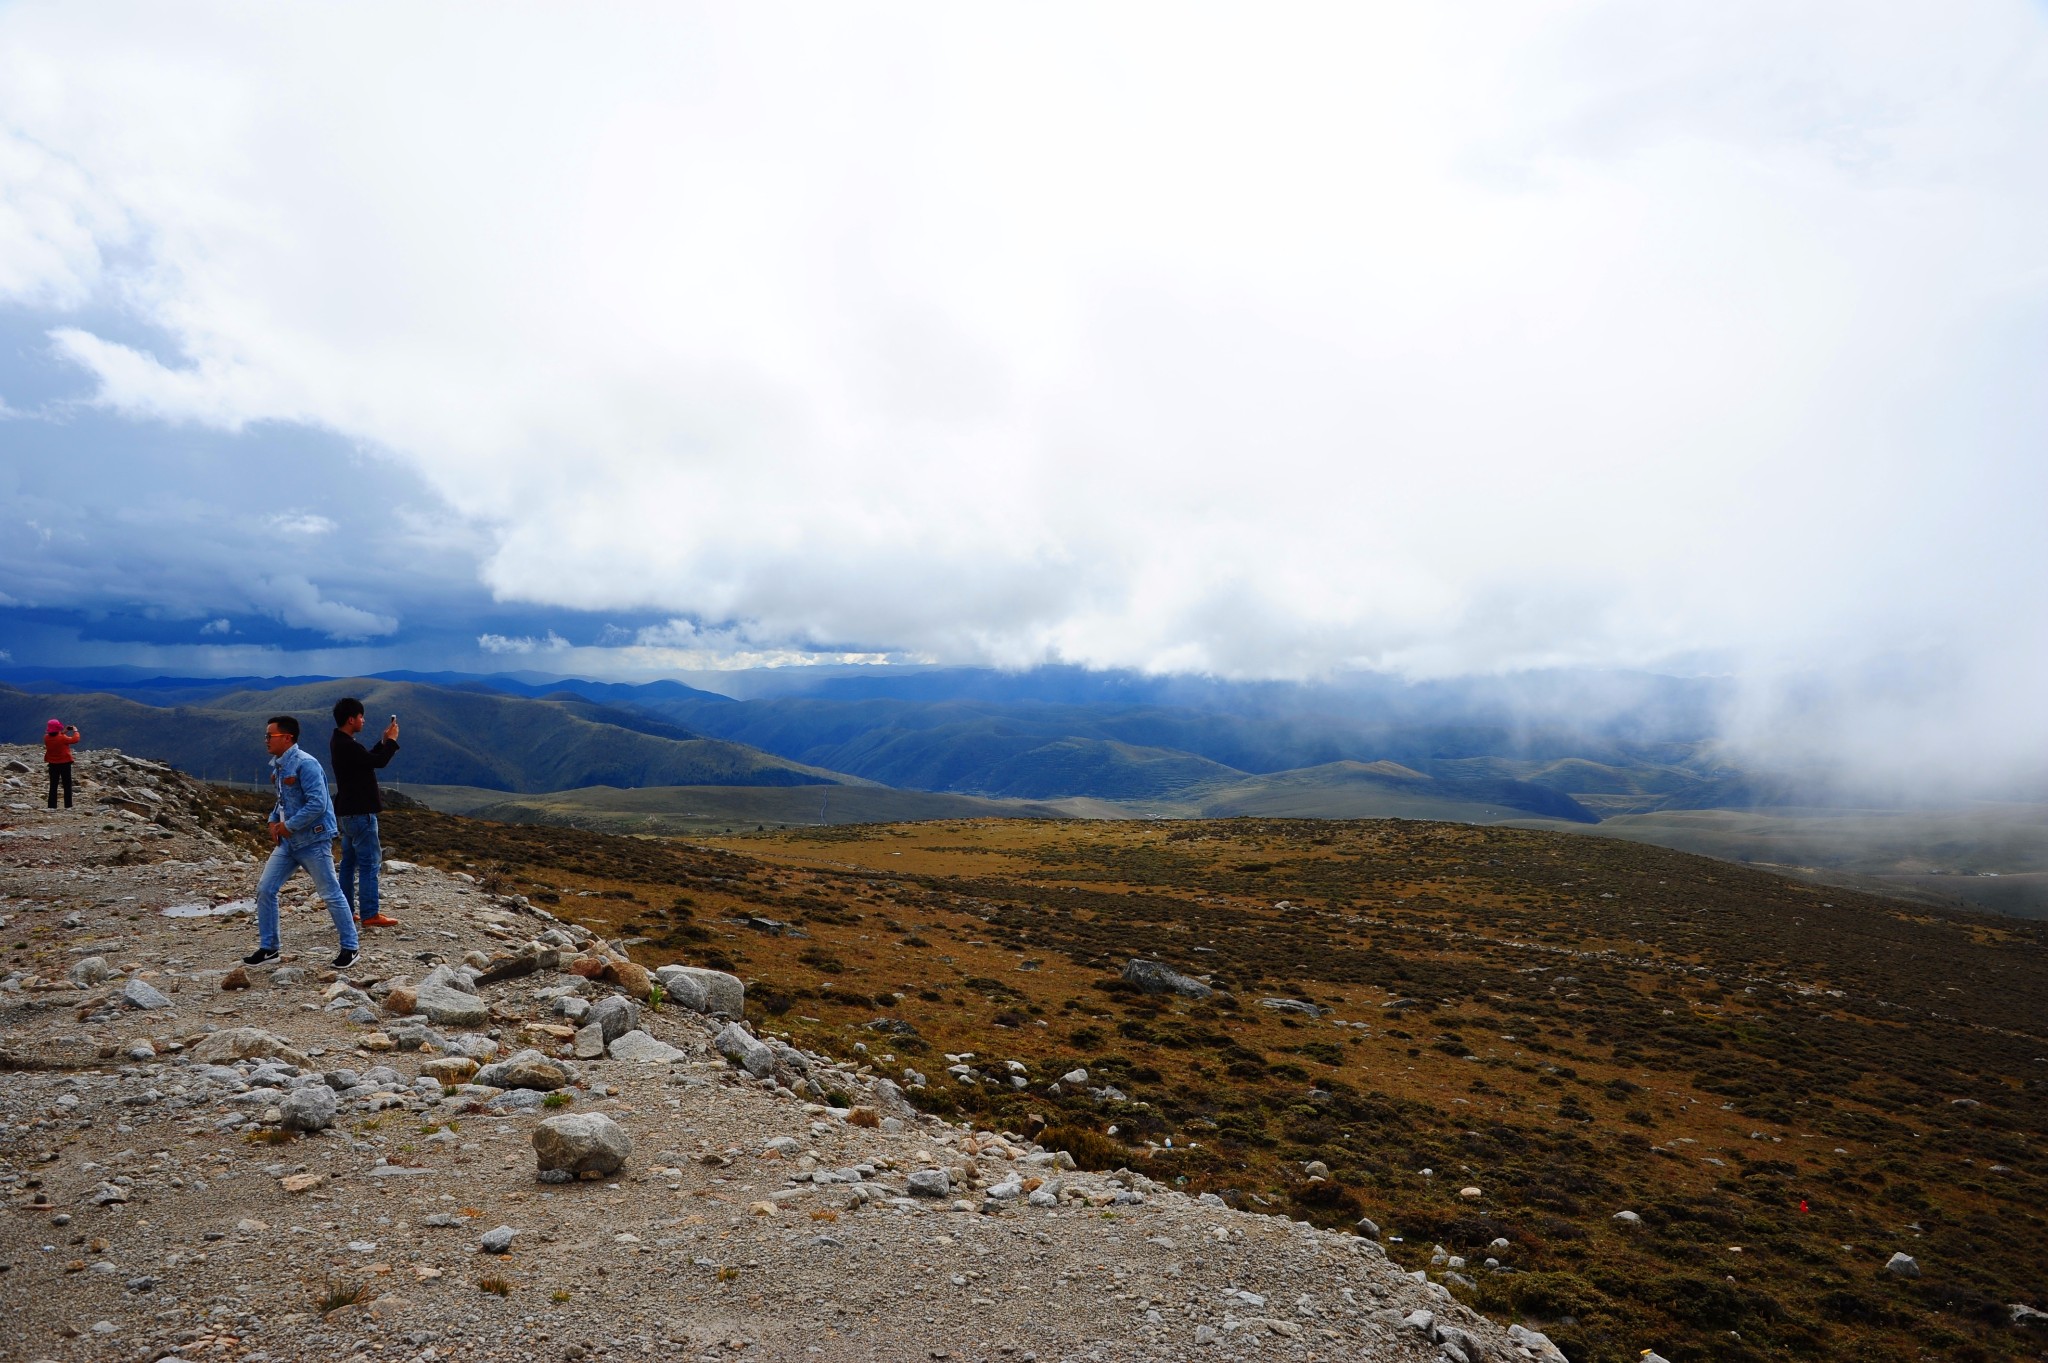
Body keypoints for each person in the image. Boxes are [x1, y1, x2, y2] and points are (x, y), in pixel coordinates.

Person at [247, 715, 359, 970]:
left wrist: (287, 826)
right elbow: (282, 800)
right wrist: (272, 820)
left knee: (330, 893)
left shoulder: (305, 764)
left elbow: (318, 803)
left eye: (270, 736)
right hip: (288, 842)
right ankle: (269, 948)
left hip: (313, 840)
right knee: (265, 888)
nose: (265, 740)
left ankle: (350, 947)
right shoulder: (278, 765)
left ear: (287, 738)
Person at [329, 697, 402, 929]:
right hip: (361, 812)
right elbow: (378, 762)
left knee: (349, 864)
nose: (363, 720)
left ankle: (346, 912)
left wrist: (382, 742)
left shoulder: (340, 742)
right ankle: (370, 913)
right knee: (370, 863)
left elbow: (367, 760)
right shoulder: (348, 745)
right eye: (361, 716)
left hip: (347, 812)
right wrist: (391, 742)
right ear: (351, 719)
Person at [43, 718, 80, 809]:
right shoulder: (63, 738)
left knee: (53, 785)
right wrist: (76, 731)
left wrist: (64, 732)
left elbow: (56, 737)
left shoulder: (46, 738)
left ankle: (52, 806)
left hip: (52, 764)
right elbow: (75, 740)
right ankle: (68, 805)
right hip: (65, 764)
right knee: (67, 784)